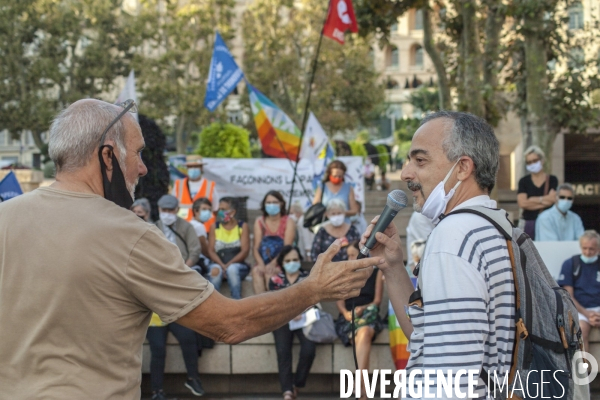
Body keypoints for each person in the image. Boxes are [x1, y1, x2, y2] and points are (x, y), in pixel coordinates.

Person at [0, 99, 381, 398]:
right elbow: (228, 324)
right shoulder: (130, 234)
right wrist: (313, 289)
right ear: (106, 156)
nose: (144, 169)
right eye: (137, 154)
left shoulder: (6, 217)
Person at [362, 111, 515, 397]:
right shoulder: (497, 224)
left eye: (420, 161)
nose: (406, 173)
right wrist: (393, 266)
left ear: (462, 168)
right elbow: (429, 335)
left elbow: (450, 381)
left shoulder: (453, 239)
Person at [335, 242, 384, 400]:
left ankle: (359, 384)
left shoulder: (375, 273)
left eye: (352, 254)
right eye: (347, 255)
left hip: (368, 315)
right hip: (348, 317)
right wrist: (346, 313)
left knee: (364, 331)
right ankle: (362, 391)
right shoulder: (343, 274)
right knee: (363, 332)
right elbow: (340, 303)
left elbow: (377, 301)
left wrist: (363, 309)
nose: (349, 258)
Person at [269, 246, 316, 400]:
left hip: (303, 320)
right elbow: (273, 303)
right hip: (281, 320)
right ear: (282, 262)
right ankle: (287, 391)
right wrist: (289, 313)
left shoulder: (307, 278)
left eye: (295, 260)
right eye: (288, 260)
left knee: (309, 349)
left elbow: (314, 300)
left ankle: (298, 384)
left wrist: (300, 311)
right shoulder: (275, 280)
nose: (292, 263)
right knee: (283, 352)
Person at [557, 230, 600, 352]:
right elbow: (568, 296)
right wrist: (588, 314)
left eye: (592, 249)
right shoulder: (571, 264)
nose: (587, 252)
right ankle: (585, 370)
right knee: (580, 331)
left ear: (598, 249)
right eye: (585, 248)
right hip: (580, 309)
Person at [252, 191, 296, 295]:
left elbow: (287, 248)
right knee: (256, 272)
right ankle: (261, 307)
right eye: (269, 202)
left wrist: (273, 264)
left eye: (275, 202)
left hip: (282, 261)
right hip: (263, 260)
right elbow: (255, 247)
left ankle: (273, 308)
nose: (271, 205)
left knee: (270, 273)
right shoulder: (259, 221)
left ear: (281, 203)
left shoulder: (288, 221)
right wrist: (261, 264)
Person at [206, 197, 251, 299]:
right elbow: (211, 251)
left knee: (232, 270)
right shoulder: (215, 227)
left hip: (238, 265)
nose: (220, 212)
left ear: (232, 212)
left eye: (223, 209)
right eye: (219, 209)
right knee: (215, 271)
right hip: (219, 263)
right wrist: (222, 265)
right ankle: (214, 303)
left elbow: (244, 251)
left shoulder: (242, 226)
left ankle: (237, 302)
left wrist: (228, 265)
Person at [517, 145, 558, 240]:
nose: (532, 164)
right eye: (529, 162)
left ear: (542, 160)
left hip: (548, 222)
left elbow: (552, 200)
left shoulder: (552, 179)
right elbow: (522, 203)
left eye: (535, 161)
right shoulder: (523, 181)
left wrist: (531, 200)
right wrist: (543, 200)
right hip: (529, 222)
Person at [155, 194, 201, 268]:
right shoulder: (154, 227)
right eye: (164, 210)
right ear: (159, 209)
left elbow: (195, 251)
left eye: (170, 210)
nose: (167, 214)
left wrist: (185, 269)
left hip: (183, 266)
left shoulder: (187, 227)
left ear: (177, 209)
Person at [172, 155, 219, 222]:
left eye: (196, 166)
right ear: (187, 168)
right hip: (184, 228)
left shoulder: (210, 185)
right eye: (190, 167)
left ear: (201, 168)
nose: (193, 169)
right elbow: (173, 207)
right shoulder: (178, 185)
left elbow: (215, 209)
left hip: (205, 227)